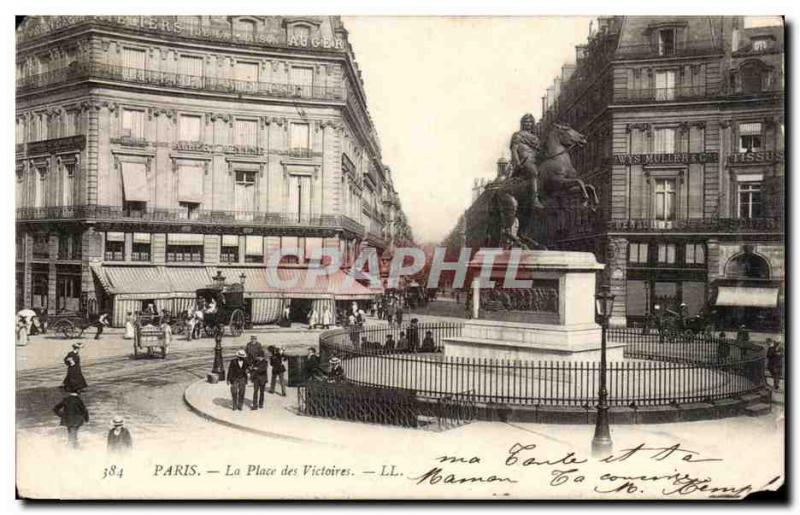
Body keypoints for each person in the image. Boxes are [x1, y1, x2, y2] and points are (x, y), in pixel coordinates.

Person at [510, 113, 544, 209]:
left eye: (530, 122)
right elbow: (514, 150)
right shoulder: (517, 135)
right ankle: (535, 199)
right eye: (526, 122)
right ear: (522, 123)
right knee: (534, 171)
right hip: (525, 161)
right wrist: (517, 162)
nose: (528, 124)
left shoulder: (535, 138)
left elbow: (539, 150)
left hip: (535, 160)